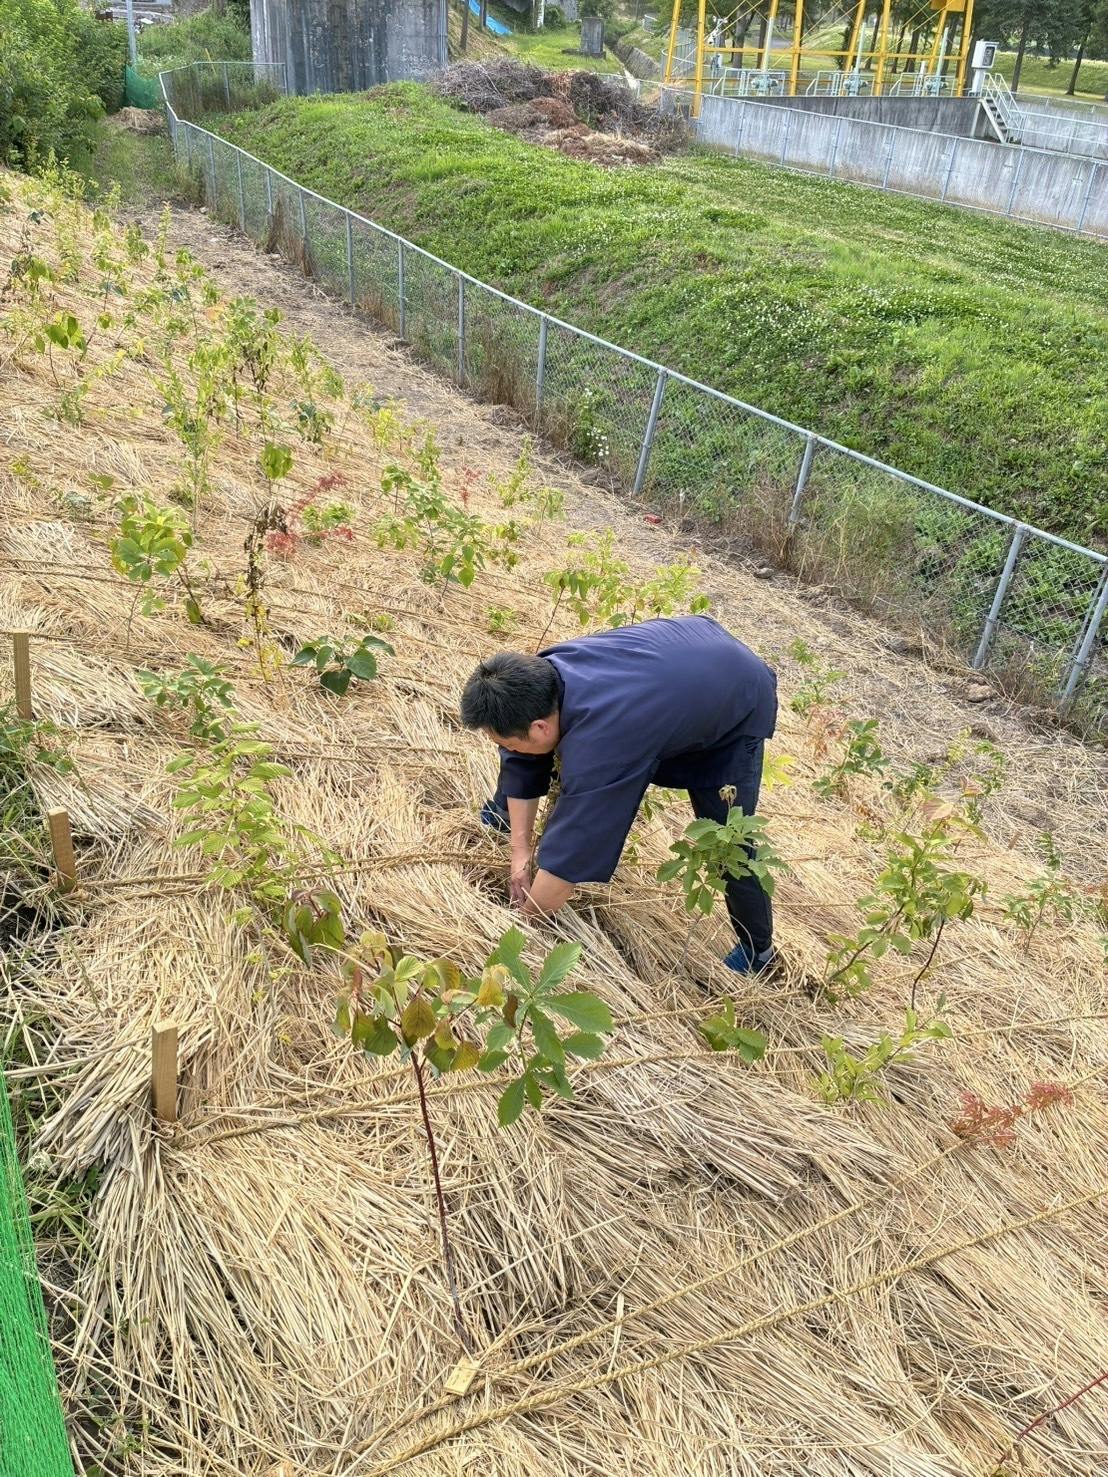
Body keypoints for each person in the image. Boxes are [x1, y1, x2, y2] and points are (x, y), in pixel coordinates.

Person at [459, 614, 779, 974]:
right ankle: (501, 815)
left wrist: (521, 925)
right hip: (684, 655)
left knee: (729, 842)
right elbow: (522, 755)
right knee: (525, 750)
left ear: (540, 727)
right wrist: (520, 851)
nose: (507, 751)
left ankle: (758, 951)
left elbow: (572, 855)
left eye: (506, 744)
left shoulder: (603, 748)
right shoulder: (539, 676)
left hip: (738, 697)